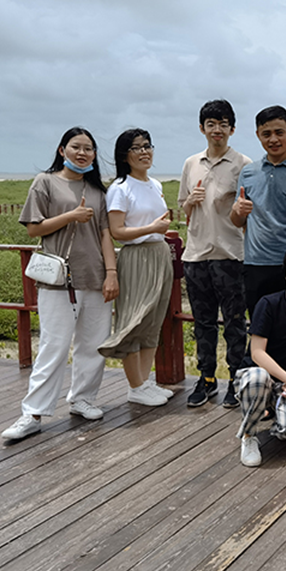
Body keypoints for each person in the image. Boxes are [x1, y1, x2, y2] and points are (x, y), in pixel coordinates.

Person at [2, 128, 119, 440]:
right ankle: (33, 413)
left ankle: (82, 399)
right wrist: (71, 215)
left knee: (93, 344)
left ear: (94, 155)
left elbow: (105, 235)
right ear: (61, 150)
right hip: (59, 279)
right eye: (76, 147)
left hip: (95, 276)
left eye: (88, 149)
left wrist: (111, 273)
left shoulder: (98, 191)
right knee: (54, 346)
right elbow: (33, 229)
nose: (82, 153)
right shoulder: (45, 182)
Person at [179, 100, 253, 408]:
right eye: (211, 124)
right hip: (195, 255)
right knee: (203, 323)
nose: (217, 129)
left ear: (232, 129)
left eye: (223, 124)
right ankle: (206, 378)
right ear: (202, 128)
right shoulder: (191, 163)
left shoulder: (244, 164)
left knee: (234, 323)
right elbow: (184, 209)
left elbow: (249, 213)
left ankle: (236, 380)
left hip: (230, 254)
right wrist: (191, 201)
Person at [98, 129, 174, 407]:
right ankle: (136, 385)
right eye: (137, 148)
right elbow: (117, 231)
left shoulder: (155, 184)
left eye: (147, 146)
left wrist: (157, 231)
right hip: (137, 257)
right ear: (124, 155)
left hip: (159, 253)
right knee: (134, 319)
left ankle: (145, 381)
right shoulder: (120, 188)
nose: (144, 152)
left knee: (153, 320)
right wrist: (152, 228)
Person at [230, 105, 286, 326]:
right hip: (254, 263)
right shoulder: (248, 172)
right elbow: (237, 220)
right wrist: (237, 211)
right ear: (258, 135)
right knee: (259, 325)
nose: (274, 139)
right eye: (266, 134)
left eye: (279, 132)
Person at [235, 244, 286, 467]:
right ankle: (248, 435)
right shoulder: (268, 304)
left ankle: (275, 410)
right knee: (258, 378)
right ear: (285, 275)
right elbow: (257, 353)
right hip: (259, 375)